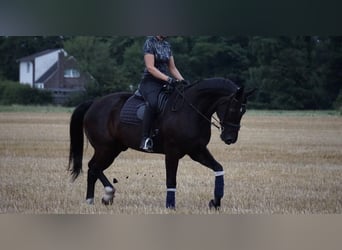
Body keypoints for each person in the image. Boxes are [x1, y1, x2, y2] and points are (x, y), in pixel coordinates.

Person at [139, 36, 185, 152]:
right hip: (150, 82)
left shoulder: (167, 45)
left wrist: (183, 81)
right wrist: (168, 79)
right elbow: (150, 68)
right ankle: (145, 139)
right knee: (153, 103)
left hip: (165, 82)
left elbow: (172, 68)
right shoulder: (150, 42)